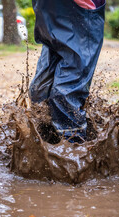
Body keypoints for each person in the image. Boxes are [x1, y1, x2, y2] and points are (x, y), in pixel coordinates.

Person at [29, 0, 106, 143]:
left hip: (80, 17)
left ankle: (74, 154)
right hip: (52, 22)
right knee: (39, 92)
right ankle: (43, 149)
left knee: (65, 94)